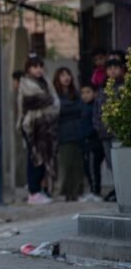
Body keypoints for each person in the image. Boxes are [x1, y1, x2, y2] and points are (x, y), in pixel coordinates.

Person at [18, 56, 60, 205]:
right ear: (28, 68)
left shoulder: (46, 82)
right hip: (32, 126)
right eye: (35, 67)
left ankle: (42, 190)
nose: (39, 70)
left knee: (46, 158)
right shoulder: (26, 83)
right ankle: (33, 192)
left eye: (40, 66)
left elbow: (55, 102)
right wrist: (48, 100)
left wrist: (49, 100)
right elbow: (34, 101)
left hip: (47, 126)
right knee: (35, 158)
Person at [93, 58, 126, 202]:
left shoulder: (124, 88)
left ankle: (124, 192)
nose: (112, 71)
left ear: (121, 70)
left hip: (119, 133)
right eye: (109, 68)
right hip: (104, 133)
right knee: (111, 164)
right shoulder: (102, 88)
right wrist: (98, 127)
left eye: (116, 68)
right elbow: (96, 110)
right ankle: (118, 191)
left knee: (122, 163)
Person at [53, 68, 83, 201]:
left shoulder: (75, 93)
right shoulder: (55, 95)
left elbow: (80, 108)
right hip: (63, 134)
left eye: (68, 74)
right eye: (63, 75)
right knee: (65, 165)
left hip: (78, 133)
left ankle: (77, 192)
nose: (66, 78)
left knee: (78, 165)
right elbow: (59, 110)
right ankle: (63, 192)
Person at [79, 85, 104, 202]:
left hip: (94, 142)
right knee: (87, 168)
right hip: (85, 142)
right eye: (83, 93)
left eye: (88, 92)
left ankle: (96, 191)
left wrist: (89, 134)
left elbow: (96, 123)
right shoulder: (83, 106)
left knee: (93, 168)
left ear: (94, 93)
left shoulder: (96, 106)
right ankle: (92, 190)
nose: (85, 95)